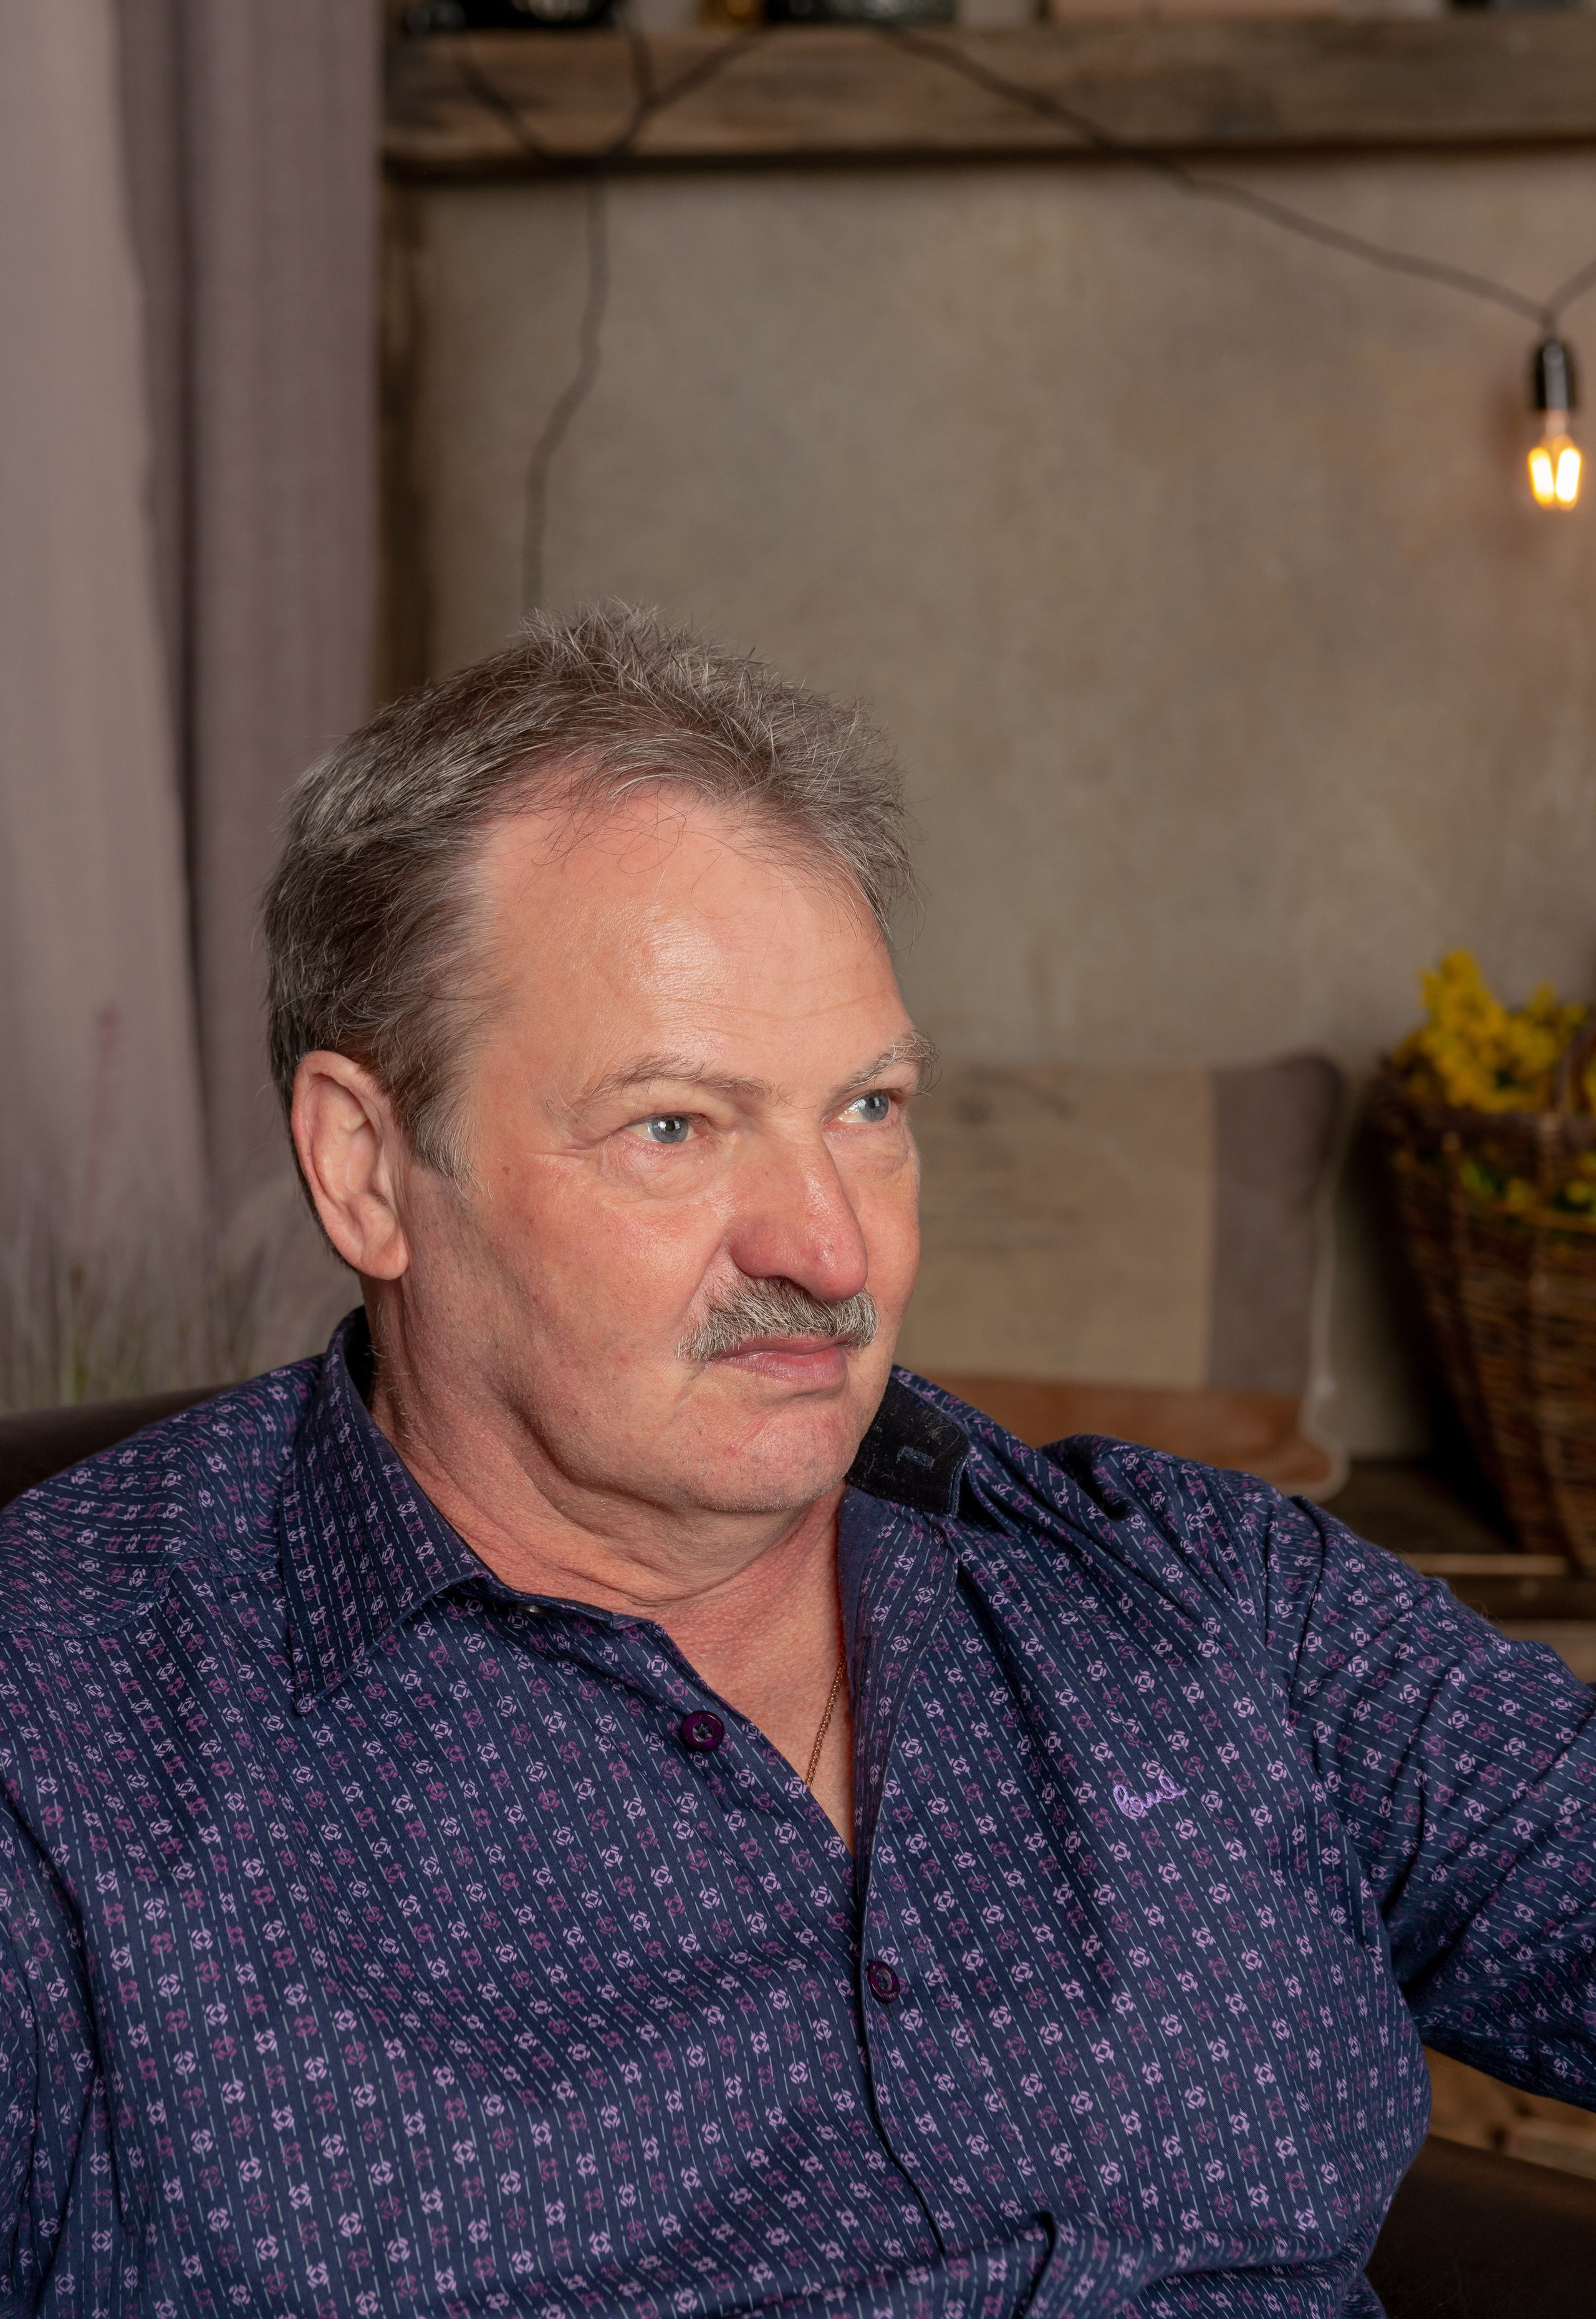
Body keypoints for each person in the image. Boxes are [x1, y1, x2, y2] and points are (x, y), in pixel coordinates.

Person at [1, 606, 1592, 2319]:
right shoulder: (60, 1744)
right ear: (369, 1168)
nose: (832, 1250)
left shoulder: (1194, 1591)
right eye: (675, 1127)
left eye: (869, 1109)